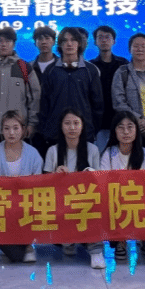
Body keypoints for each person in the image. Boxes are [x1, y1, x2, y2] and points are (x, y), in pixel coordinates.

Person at [100, 111, 145, 260]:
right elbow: (104, 186)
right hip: (118, 209)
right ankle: (120, 240)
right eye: (121, 127)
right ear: (114, 131)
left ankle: (144, 239)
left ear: (137, 130)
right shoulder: (108, 154)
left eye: (130, 127)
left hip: (144, 209)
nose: (126, 132)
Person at [42, 108, 104, 268]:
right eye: (67, 123)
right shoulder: (53, 151)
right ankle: (68, 239)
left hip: (86, 202)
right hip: (61, 202)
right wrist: (56, 175)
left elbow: (100, 181)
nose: (72, 127)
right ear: (61, 126)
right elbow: (44, 185)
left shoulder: (92, 150)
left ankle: (96, 251)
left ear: (82, 126)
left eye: (76, 123)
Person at [0, 110, 42, 263]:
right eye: (7, 128)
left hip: (25, 205)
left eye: (16, 128)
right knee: (16, 256)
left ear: (23, 129)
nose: (11, 133)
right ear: (1, 130)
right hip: (1, 205)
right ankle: (13, 244)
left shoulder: (33, 154)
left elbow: (38, 185)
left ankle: (27, 245)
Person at [0, 27, 41, 159]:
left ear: (14, 44)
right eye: (0, 41)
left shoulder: (24, 67)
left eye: (8, 41)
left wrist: (32, 124)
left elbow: (35, 99)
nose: (3, 44)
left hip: (18, 131)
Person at [36, 27, 103, 157]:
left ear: (79, 43)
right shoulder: (50, 70)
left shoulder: (90, 70)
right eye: (65, 41)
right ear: (60, 45)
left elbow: (97, 105)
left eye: (73, 40)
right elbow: (44, 104)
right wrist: (45, 130)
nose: (69, 44)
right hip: (55, 135)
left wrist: (92, 130)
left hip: (84, 134)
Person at [89, 25, 128, 151]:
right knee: (100, 156)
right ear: (95, 42)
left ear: (114, 41)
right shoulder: (90, 66)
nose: (104, 40)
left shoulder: (123, 64)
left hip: (121, 117)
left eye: (107, 37)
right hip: (98, 121)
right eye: (100, 37)